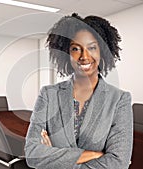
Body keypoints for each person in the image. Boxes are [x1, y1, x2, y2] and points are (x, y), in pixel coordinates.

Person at [24, 13, 133, 169]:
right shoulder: (48, 95)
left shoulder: (119, 100)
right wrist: (93, 155)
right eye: (76, 48)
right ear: (66, 52)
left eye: (92, 47)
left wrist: (53, 158)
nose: (84, 56)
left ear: (102, 51)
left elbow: (118, 162)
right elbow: (32, 154)